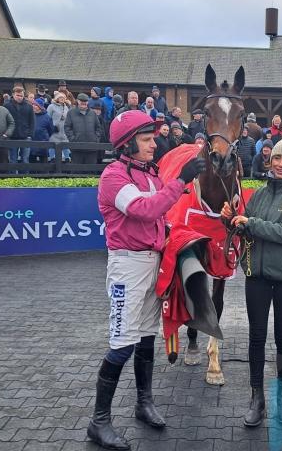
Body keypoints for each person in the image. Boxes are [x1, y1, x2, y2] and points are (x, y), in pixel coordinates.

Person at [90, 110, 205, 450]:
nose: (154, 144)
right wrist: (181, 180)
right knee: (122, 344)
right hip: (128, 267)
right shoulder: (113, 176)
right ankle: (99, 422)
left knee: (145, 338)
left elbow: (159, 218)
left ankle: (144, 403)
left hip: (152, 262)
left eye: (153, 138)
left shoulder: (149, 173)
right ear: (127, 144)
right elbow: (145, 210)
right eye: (146, 139)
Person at [221, 128, 282, 428]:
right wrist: (231, 220)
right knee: (256, 337)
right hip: (257, 276)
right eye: (277, 159)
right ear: (269, 160)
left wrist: (251, 222)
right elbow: (246, 229)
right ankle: (256, 397)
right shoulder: (259, 194)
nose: (280, 164)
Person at [4, 86, 36, 171]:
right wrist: (7, 134)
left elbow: (32, 122)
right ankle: (12, 177)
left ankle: (25, 177)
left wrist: (30, 135)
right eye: (17, 95)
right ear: (13, 95)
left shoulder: (29, 106)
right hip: (12, 137)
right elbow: (5, 121)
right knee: (12, 160)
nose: (19, 97)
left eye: (21, 95)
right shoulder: (7, 106)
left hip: (25, 137)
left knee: (25, 160)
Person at [65, 93, 102, 165]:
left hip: (91, 148)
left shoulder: (93, 113)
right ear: (77, 101)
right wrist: (73, 139)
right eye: (81, 101)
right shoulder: (71, 113)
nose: (84, 103)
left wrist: (96, 139)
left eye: (85, 101)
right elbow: (67, 127)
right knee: (76, 170)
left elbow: (98, 127)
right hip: (76, 148)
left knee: (91, 171)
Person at [47, 92, 71, 163]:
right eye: (60, 97)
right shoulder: (51, 106)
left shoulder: (66, 107)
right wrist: (51, 127)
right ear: (57, 98)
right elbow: (47, 118)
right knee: (53, 143)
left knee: (65, 143)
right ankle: (52, 158)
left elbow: (68, 118)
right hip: (54, 129)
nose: (62, 99)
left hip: (63, 129)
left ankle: (67, 158)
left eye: (63, 98)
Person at [30, 99, 54, 167]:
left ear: (40, 106)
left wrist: (45, 137)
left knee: (44, 165)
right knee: (31, 165)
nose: (33, 106)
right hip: (31, 143)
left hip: (43, 143)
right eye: (33, 104)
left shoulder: (47, 117)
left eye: (35, 105)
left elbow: (51, 130)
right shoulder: (30, 115)